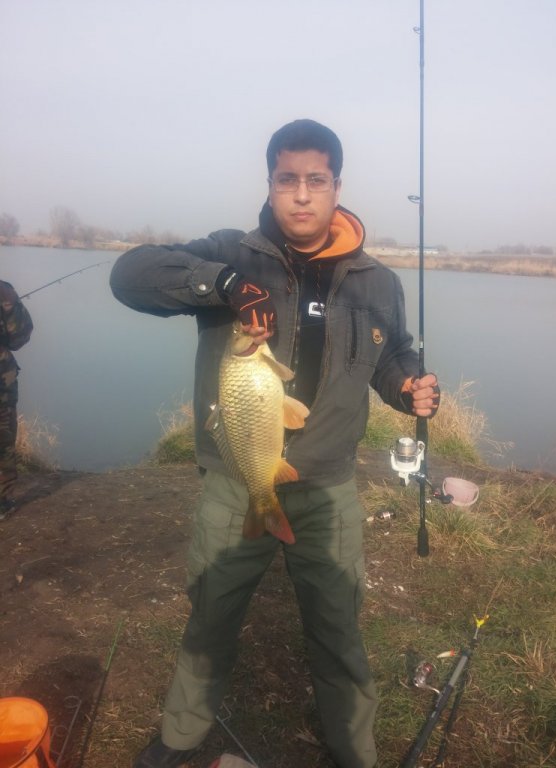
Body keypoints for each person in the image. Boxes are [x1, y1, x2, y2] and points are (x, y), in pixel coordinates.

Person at [110, 119, 439, 768]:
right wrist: (224, 285)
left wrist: (408, 386)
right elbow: (130, 276)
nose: (301, 194)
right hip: (238, 479)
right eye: (288, 179)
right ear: (270, 183)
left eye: (316, 180)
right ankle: (181, 738)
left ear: (337, 186)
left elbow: (390, 356)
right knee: (210, 617)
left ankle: (353, 751)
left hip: (328, 485)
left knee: (338, 630)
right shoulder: (233, 254)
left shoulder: (377, 281)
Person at [0, 280, 33, 520]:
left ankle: (2, 500)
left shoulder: (3, 290)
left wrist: (11, 304)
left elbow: (18, 339)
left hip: (2, 385)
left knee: (2, 440)